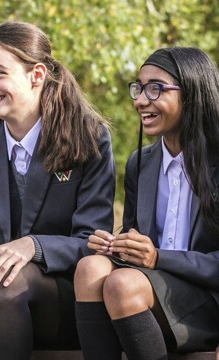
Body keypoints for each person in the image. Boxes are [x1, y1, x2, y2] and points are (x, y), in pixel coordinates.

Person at [0, 21, 115, 360]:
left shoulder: (90, 137)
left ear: (36, 75)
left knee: (6, 281)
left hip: (64, 300)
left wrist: (30, 246)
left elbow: (91, 241)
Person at [74, 46, 219, 360]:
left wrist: (157, 258)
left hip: (208, 303)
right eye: (138, 88)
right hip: (152, 294)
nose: (140, 100)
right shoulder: (141, 164)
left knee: (122, 284)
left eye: (156, 88)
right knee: (90, 268)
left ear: (192, 94)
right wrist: (118, 245)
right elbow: (137, 242)